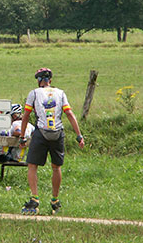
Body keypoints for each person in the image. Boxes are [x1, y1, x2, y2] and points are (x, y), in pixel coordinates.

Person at [19, 68, 85, 215]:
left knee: (32, 165)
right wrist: (79, 135)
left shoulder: (34, 93)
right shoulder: (60, 93)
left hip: (41, 132)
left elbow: (26, 116)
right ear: (50, 81)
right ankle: (55, 200)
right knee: (56, 167)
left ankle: (35, 198)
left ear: (39, 81)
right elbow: (69, 113)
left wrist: (22, 137)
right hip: (57, 132)